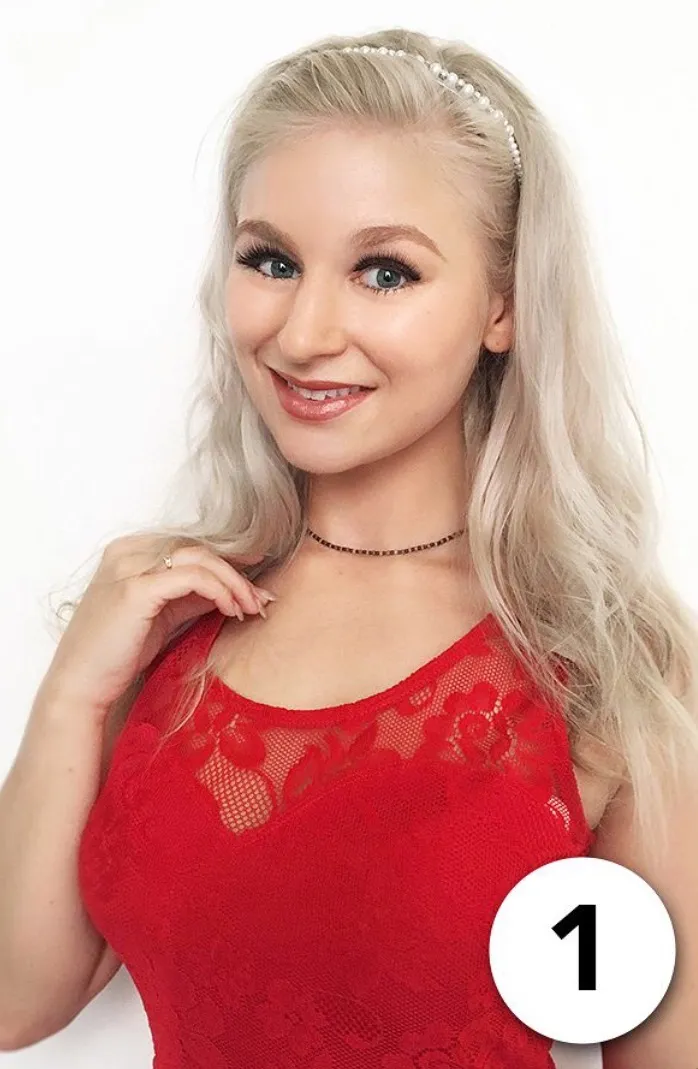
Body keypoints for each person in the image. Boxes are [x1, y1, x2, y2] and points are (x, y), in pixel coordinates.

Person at [1, 26, 697, 1069]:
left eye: (383, 270)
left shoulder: (598, 662)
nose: (303, 330)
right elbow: (17, 1004)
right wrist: (71, 693)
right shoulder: (170, 626)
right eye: (270, 260)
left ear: (501, 303)